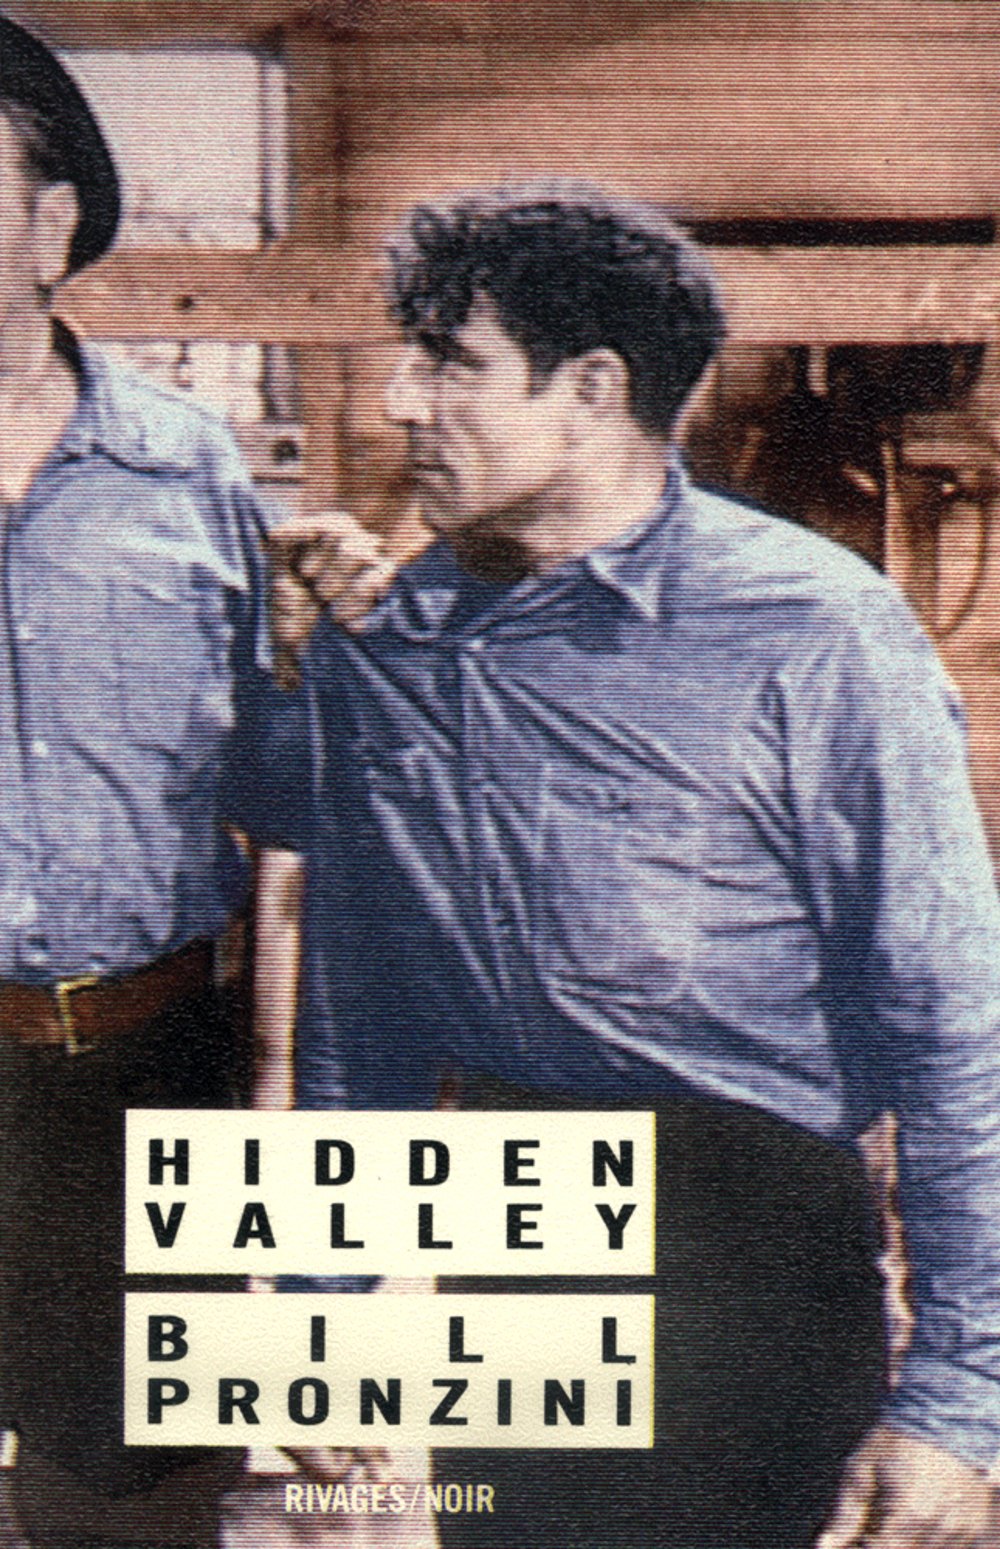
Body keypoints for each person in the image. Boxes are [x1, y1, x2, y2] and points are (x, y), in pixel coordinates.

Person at [268, 183, 1000, 1549]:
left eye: (452, 363)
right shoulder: (395, 634)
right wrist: (322, 1288)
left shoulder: (815, 632)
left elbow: (956, 1023)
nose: (404, 403)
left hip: (754, 1264)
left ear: (594, 387)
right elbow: (360, 1003)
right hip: (507, 1235)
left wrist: (963, 1403)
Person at [0, 15, 300, 1547]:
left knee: (137, 1500)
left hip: (146, 1068)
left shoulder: (188, 471)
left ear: (50, 226)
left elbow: (273, 787)